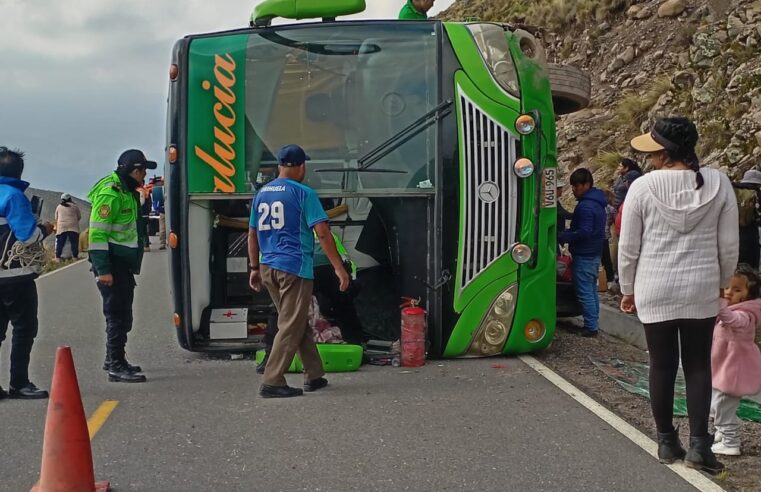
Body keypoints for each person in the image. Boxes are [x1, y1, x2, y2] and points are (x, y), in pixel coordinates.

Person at [619, 117, 738, 473]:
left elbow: (628, 247)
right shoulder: (717, 183)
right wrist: (723, 284)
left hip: (654, 286)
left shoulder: (643, 187)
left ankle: (668, 442)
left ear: (662, 152)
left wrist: (628, 289)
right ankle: (701, 445)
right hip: (700, 286)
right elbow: (728, 246)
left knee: (662, 364)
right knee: (699, 365)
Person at [248, 144, 350, 398]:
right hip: (294, 267)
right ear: (301, 166)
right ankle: (272, 380)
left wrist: (253, 268)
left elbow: (252, 233)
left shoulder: (262, 194)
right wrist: (339, 268)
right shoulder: (304, 193)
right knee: (290, 324)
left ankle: (314, 375)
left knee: (296, 320)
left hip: (268, 266)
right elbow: (323, 233)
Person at [89, 149, 157, 383]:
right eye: (143, 171)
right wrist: (103, 269)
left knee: (122, 314)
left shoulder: (127, 191)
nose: (145, 176)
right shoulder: (112, 193)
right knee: (117, 314)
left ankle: (114, 358)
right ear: (135, 170)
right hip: (112, 263)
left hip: (122, 263)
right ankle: (116, 366)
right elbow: (97, 234)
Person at [0, 147, 54, 400]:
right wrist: (44, 228)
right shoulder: (13, 196)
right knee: (24, 328)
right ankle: (19, 384)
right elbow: (28, 236)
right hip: (15, 277)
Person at [710, 264, 761, 457]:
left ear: (749, 294)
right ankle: (722, 432)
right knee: (716, 405)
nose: (730, 293)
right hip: (723, 369)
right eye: (728, 287)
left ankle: (731, 442)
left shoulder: (746, 315)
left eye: (737, 289)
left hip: (733, 373)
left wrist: (720, 303)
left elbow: (733, 320)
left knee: (723, 407)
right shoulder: (732, 309)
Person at [558, 168, 607, 337]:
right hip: (594, 253)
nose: (573, 190)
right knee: (591, 291)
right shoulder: (598, 203)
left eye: (576, 186)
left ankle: (590, 327)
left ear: (586, 185)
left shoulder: (586, 206)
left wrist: (564, 236)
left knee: (585, 290)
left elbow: (584, 231)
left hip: (584, 254)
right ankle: (593, 323)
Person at [733, 169, 761, 269]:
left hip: (733, 237)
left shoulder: (735, 192)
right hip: (751, 237)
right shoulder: (756, 194)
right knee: (752, 269)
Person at [54, 193, 81, 261]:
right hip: (73, 226)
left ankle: (58, 257)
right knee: (74, 242)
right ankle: (75, 257)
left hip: (62, 227)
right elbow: (79, 216)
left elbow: (56, 217)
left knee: (60, 243)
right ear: (70, 198)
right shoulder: (75, 206)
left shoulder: (59, 207)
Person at [601, 189, 616, 288]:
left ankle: (600, 278)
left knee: (599, 258)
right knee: (607, 259)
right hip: (605, 235)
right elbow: (615, 220)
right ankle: (609, 278)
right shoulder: (611, 208)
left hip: (596, 235)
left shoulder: (599, 207)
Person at [151, 177, 166, 250]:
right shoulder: (164, 189)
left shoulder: (155, 189)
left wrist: (158, 209)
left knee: (162, 228)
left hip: (161, 211)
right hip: (167, 210)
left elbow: (154, 202)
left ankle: (162, 243)